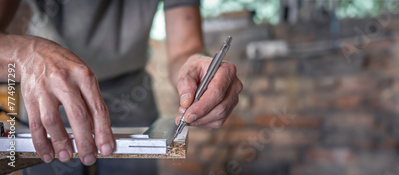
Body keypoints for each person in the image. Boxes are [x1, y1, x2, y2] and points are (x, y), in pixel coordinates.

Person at [0, 0, 242, 174]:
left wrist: (193, 64)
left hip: (132, 95)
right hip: (50, 96)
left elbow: (184, 49)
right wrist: (26, 54)